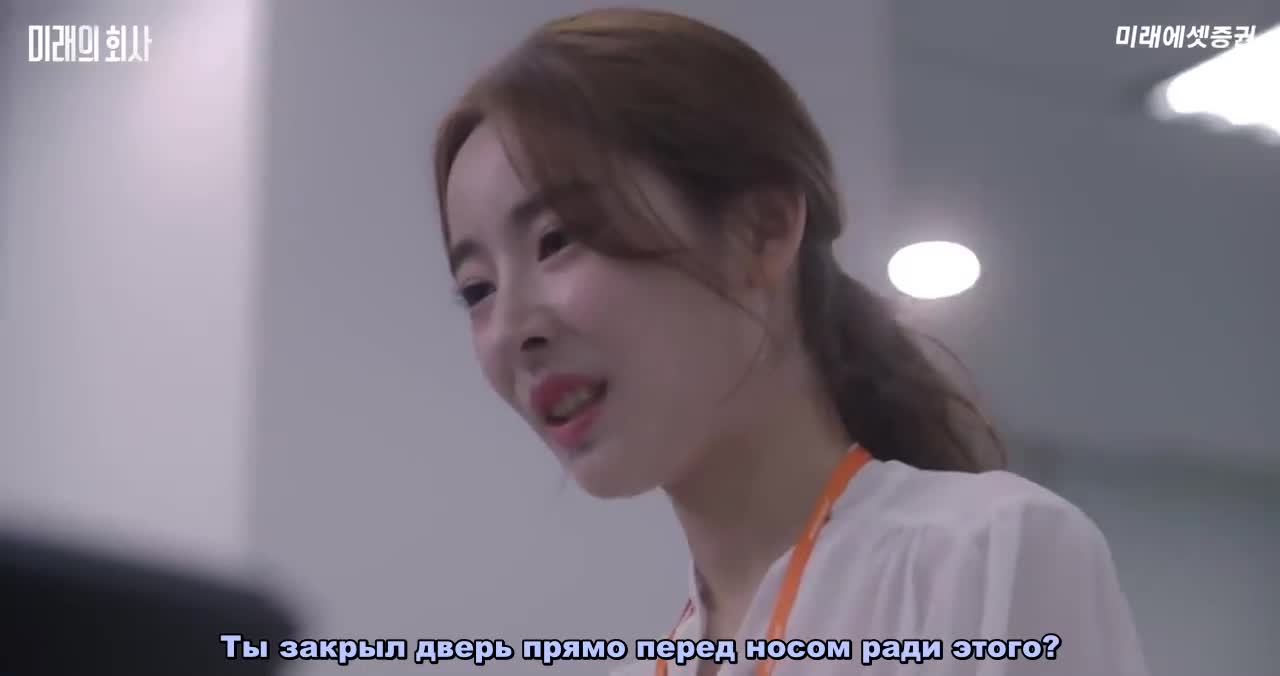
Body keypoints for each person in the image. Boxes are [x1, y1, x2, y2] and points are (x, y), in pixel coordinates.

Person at [432, 8, 1149, 676]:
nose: (513, 329)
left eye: (557, 239)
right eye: (477, 290)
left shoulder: (983, 557)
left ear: (763, 231)